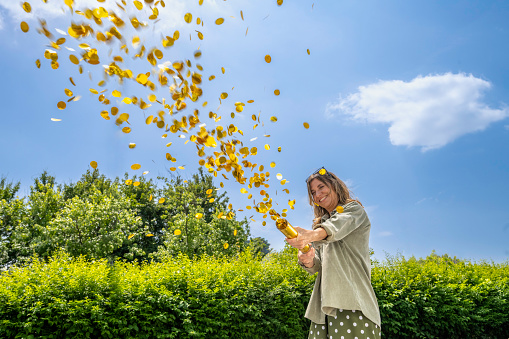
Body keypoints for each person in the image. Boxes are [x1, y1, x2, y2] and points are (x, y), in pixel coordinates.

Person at [286, 167, 381, 339]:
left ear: (334, 185)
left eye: (321, 187)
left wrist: (311, 235)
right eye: (313, 192)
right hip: (324, 307)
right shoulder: (322, 224)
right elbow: (319, 265)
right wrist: (307, 259)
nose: (318, 194)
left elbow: (336, 227)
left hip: (353, 302)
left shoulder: (353, 210)